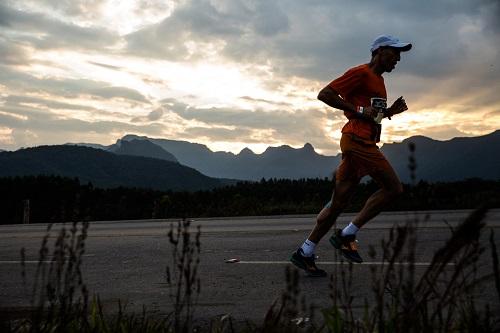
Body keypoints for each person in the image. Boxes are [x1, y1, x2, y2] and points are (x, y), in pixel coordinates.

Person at [290, 35, 412, 277]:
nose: (398, 58)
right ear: (378, 51)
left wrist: (387, 113)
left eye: (400, 54)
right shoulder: (361, 73)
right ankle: (347, 235)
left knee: (338, 204)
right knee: (394, 189)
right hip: (358, 142)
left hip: (359, 141)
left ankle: (305, 252)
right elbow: (325, 94)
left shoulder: (378, 80)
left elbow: (370, 115)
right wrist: (359, 109)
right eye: (394, 52)